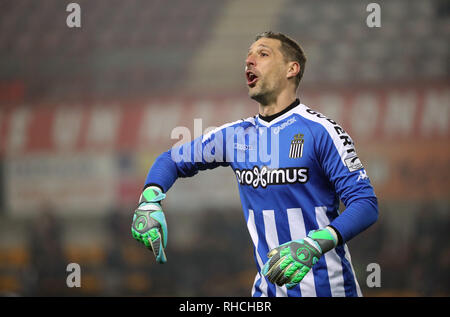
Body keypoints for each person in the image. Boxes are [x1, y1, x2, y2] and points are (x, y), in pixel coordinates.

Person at [131, 31, 378, 297]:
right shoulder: (236, 136)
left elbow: (365, 204)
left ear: (291, 69)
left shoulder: (321, 132)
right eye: (248, 55)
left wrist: (313, 245)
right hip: (266, 293)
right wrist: (149, 199)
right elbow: (170, 160)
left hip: (329, 290)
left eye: (263, 54)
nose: (249, 61)